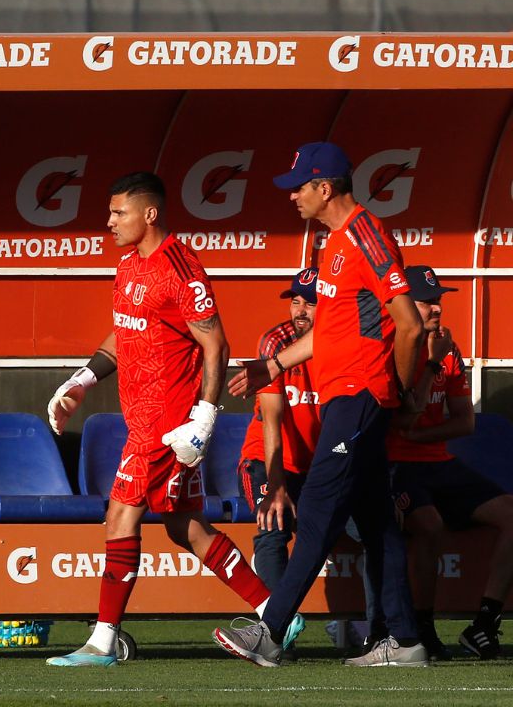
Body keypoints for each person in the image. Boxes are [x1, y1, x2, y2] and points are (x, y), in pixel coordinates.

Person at [44, 171, 302, 667]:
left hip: (166, 425)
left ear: (150, 214)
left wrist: (203, 420)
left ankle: (103, 640)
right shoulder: (128, 265)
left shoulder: (180, 269)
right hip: (142, 419)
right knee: (184, 525)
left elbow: (216, 344)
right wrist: (81, 380)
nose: (109, 221)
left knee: (121, 513)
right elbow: (124, 330)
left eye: (119, 212)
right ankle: (277, 612)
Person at [213, 141, 428, 667]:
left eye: (298, 188)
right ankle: (405, 641)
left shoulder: (366, 235)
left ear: (324, 188)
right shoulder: (332, 243)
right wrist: (276, 364)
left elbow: (411, 324)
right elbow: (331, 333)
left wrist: (398, 392)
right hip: (347, 398)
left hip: (358, 397)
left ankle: (269, 631)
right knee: (377, 522)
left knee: (314, 514)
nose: (293, 197)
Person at [388, 264, 513, 660]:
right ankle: (424, 628)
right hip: (395, 466)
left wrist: (417, 435)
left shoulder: (449, 348)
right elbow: (406, 411)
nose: (437, 310)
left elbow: (464, 421)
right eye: (427, 303)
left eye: (438, 302)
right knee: (430, 526)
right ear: (405, 306)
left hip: (438, 463)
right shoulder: (392, 346)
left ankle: (484, 624)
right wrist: (429, 364)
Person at [237, 268, 320, 594]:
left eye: (309, 303)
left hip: (316, 464)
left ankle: (372, 629)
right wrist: (275, 484)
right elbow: (271, 417)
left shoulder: (341, 343)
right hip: (269, 459)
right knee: (273, 524)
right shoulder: (276, 342)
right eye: (295, 301)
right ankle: (274, 628)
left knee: (367, 528)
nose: (299, 311)